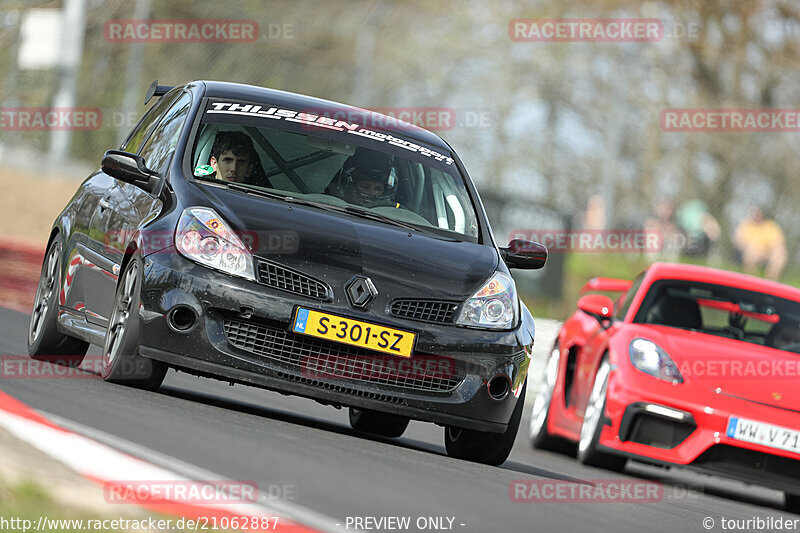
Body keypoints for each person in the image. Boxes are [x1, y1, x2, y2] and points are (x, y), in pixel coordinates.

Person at [328, 148, 398, 207]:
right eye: (365, 187)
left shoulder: (398, 213)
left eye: (378, 189)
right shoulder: (329, 203)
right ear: (350, 185)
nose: (371, 193)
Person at [733, 206, 787, 280]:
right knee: (752, 251)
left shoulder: (770, 226)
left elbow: (777, 243)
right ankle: (751, 279)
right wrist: (751, 247)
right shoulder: (746, 224)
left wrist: (773, 250)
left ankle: (771, 280)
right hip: (750, 251)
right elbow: (739, 240)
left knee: (779, 253)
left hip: (766, 252)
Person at [195, 131, 259, 183]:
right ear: (214, 163)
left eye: (241, 162)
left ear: (249, 169)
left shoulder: (257, 198)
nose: (234, 168)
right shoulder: (199, 191)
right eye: (228, 160)